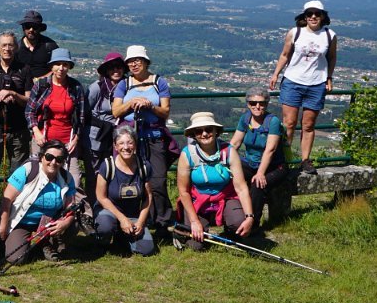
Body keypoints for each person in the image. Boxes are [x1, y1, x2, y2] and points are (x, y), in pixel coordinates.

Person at [269, 0, 338, 173]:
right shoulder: (295, 33)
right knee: (289, 123)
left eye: (317, 13)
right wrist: (276, 74)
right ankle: (283, 160)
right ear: (304, 16)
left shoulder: (330, 35)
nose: (313, 17)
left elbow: (332, 58)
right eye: (309, 14)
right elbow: (285, 55)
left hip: (316, 83)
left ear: (323, 16)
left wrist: (329, 77)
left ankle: (305, 160)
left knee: (308, 125)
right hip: (293, 81)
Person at [111, 45, 175, 226]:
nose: (134, 64)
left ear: (146, 62)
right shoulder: (124, 84)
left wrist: (150, 106)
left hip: (154, 137)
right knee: (128, 178)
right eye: (130, 62)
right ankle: (131, 219)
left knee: (158, 181)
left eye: (137, 60)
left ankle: (162, 222)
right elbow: (116, 111)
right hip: (130, 140)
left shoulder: (159, 82)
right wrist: (131, 103)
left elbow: (165, 112)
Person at [175, 112, 257, 251]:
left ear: (216, 131)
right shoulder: (187, 154)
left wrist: (249, 217)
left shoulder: (229, 151)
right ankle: (189, 229)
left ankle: (231, 232)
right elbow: (183, 191)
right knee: (196, 245)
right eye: (199, 131)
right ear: (193, 134)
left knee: (239, 223)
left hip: (225, 197)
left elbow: (241, 187)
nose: (204, 134)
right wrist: (194, 221)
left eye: (208, 129)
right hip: (198, 200)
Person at [0, 140, 78, 264]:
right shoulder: (28, 170)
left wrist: (65, 223)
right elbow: (6, 201)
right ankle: (33, 244)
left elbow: (71, 207)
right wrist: (3, 228)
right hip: (21, 221)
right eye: (49, 157)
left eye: (59, 159)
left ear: (63, 162)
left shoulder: (67, 178)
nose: (53, 162)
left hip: (49, 223)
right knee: (16, 259)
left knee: (73, 224)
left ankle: (46, 243)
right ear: (41, 157)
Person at [0, 31, 31, 214]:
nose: (7, 48)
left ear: (16, 47)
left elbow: (29, 100)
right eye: (4, 45)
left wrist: (13, 94)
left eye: (10, 45)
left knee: (18, 171)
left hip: (19, 129)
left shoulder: (24, 70)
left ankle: (13, 207)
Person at [24, 48, 87, 183]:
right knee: (39, 179)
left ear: (69, 67)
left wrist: (75, 139)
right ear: (51, 66)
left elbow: (81, 117)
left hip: (67, 142)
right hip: (43, 140)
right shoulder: (41, 86)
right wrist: (36, 132)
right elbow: (29, 111)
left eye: (65, 64)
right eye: (57, 64)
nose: (61, 68)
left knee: (74, 181)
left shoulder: (75, 88)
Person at [92, 125, 156, 256]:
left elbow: (148, 197)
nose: (126, 147)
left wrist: (141, 222)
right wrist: (122, 219)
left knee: (147, 249)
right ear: (115, 146)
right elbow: (101, 197)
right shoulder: (107, 166)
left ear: (135, 145)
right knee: (105, 226)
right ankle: (103, 242)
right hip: (109, 212)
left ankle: (122, 237)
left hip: (132, 214)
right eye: (121, 143)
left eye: (130, 142)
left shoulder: (144, 166)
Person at [229, 85, 288, 227]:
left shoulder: (273, 122)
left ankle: (252, 224)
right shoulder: (245, 119)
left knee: (257, 184)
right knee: (228, 174)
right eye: (253, 103)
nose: (257, 106)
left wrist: (261, 173)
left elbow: (270, 149)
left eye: (261, 103)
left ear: (266, 104)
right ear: (248, 104)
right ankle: (232, 217)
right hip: (251, 163)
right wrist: (222, 162)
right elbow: (235, 143)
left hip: (274, 167)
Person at [84, 51, 127, 194]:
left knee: (113, 171)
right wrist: (100, 124)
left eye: (119, 67)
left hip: (116, 137)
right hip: (96, 137)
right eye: (112, 67)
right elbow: (84, 111)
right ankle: (92, 203)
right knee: (93, 173)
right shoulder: (97, 87)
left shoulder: (127, 87)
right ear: (106, 70)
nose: (116, 70)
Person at [13, 9, 60, 80]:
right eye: (28, 26)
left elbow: (59, 67)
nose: (31, 29)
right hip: (22, 85)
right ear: (23, 28)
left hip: (46, 85)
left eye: (35, 27)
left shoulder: (50, 46)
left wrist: (41, 79)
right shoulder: (16, 48)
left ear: (40, 29)